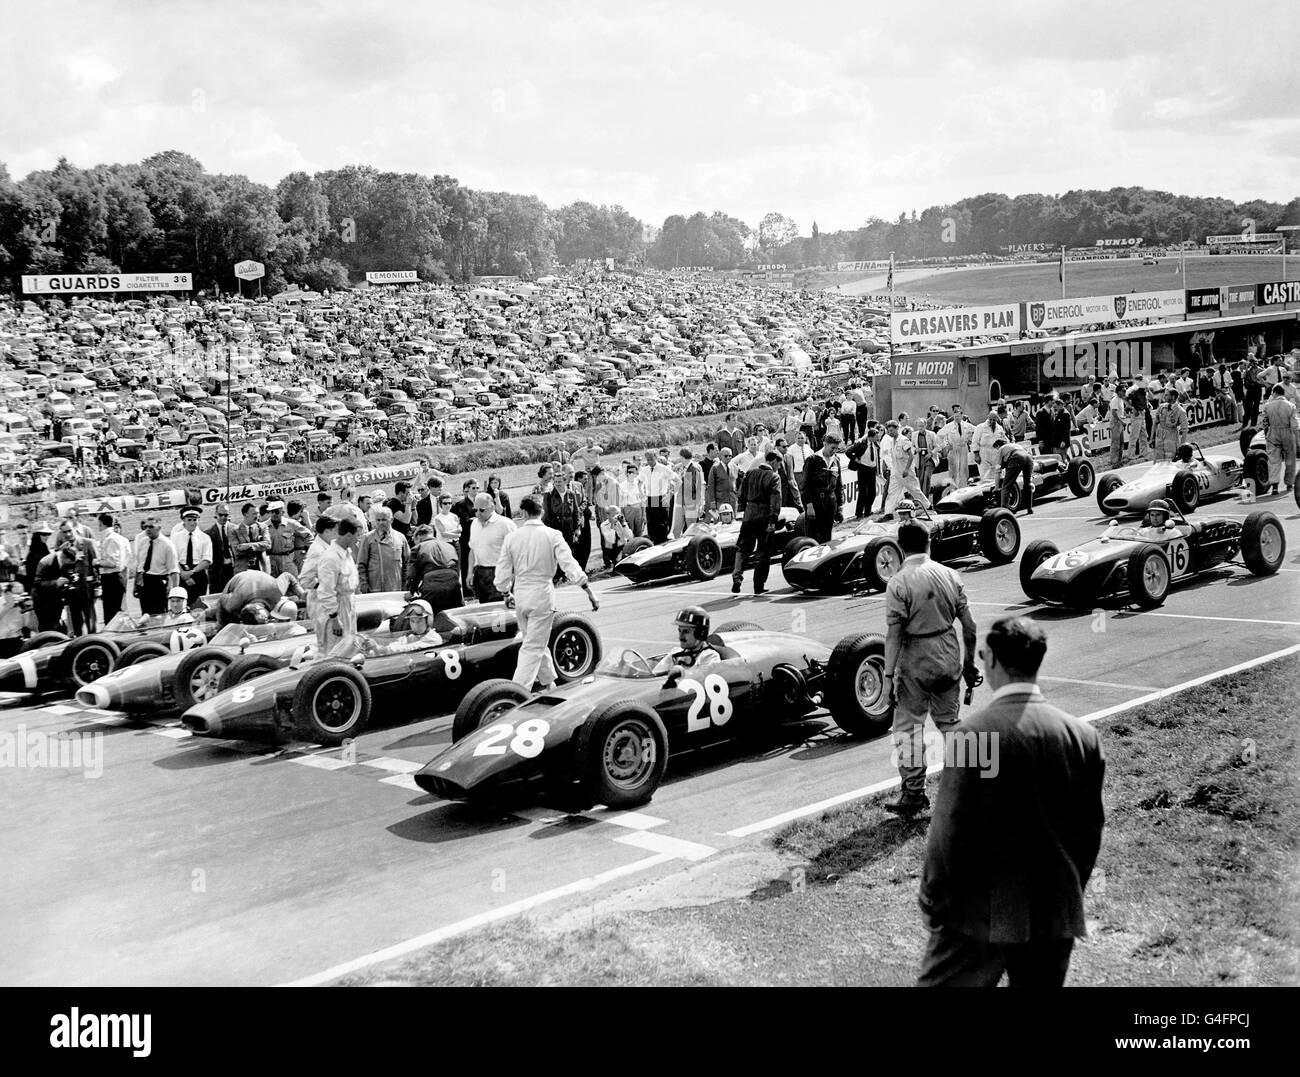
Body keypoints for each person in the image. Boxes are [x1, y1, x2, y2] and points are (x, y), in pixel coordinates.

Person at [917, 617, 1105, 987]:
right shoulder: (1083, 736)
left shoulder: (973, 734)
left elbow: (948, 831)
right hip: (1053, 911)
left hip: (975, 913)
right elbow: (1088, 832)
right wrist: (1068, 888)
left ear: (992, 663)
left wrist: (931, 898)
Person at [881, 520, 979, 816]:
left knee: (909, 726)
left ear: (900, 548)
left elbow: (894, 634)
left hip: (916, 658)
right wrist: (969, 663)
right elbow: (971, 626)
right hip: (948, 651)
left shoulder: (898, 583)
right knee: (950, 722)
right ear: (929, 543)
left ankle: (913, 793)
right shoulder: (950, 575)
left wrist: (887, 677)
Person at [493, 496, 599, 692]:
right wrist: (587, 589)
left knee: (534, 640)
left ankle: (549, 682)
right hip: (542, 594)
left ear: (523, 513)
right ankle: (517, 692)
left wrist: (505, 592)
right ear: (541, 512)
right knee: (533, 646)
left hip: (521, 594)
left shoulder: (512, 537)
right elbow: (569, 564)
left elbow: (502, 572)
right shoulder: (552, 534)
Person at [730, 450, 782, 596]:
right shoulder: (774, 477)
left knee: (742, 548)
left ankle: (737, 577)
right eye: (779, 463)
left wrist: (744, 508)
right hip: (764, 517)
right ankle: (758, 586)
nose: (779, 466)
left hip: (749, 515)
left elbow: (741, 494)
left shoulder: (750, 473)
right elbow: (775, 500)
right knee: (763, 552)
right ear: (773, 461)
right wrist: (773, 519)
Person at [316, 517, 361, 649]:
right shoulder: (331, 557)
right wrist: (334, 618)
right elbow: (325, 591)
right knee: (338, 648)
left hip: (349, 604)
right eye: (357, 536)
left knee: (351, 645)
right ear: (348, 535)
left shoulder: (347, 553)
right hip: (337, 609)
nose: (358, 540)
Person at [467, 492, 517, 602]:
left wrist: (512, 577)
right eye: (475, 510)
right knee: (485, 611)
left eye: (482, 510)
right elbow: (472, 549)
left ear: (492, 507)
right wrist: (470, 573)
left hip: (500, 573)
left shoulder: (505, 524)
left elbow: (516, 551)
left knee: (502, 612)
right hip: (481, 574)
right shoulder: (474, 524)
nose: (478, 514)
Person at [405, 525, 462, 613]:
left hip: (432, 586)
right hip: (453, 585)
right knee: (454, 615)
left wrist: (411, 592)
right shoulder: (450, 546)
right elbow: (457, 569)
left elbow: (412, 574)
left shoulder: (417, 548)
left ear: (418, 536)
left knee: (430, 615)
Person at [652, 607, 722, 677]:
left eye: (686, 631)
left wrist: (680, 673)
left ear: (700, 633)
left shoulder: (709, 656)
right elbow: (654, 676)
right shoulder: (674, 653)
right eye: (679, 630)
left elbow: (704, 679)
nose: (681, 636)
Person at [356, 505, 410, 593]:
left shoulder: (400, 538)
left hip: (395, 587)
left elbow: (407, 563)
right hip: (374, 588)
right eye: (378, 520)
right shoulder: (368, 538)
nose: (381, 523)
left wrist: (406, 584)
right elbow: (361, 564)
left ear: (391, 520)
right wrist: (363, 583)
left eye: (384, 520)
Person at [803, 429, 844, 541]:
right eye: (832, 448)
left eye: (836, 448)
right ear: (825, 444)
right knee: (813, 534)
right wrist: (809, 505)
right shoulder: (812, 460)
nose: (834, 451)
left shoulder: (836, 460)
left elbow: (839, 485)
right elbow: (805, 485)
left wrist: (840, 506)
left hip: (830, 500)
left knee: (827, 535)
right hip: (815, 501)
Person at [133, 516, 179, 616]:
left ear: (159, 527)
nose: (147, 529)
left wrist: (176, 593)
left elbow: (174, 570)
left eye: (151, 526)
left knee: (160, 615)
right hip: (144, 582)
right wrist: (135, 585)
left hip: (159, 583)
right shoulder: (143, 542)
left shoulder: (167, 545)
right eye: (145, 527)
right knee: (145, 615)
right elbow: (139, 565)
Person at [1260, 382, 1298, 494]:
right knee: (1290, 459)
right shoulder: (1290, 406)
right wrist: (1297, 439)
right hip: (1287, 432)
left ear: (1274, 393)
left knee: (1273, 460)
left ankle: (1275, 485)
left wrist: (1267, 435)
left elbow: (1265, 423)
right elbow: (1295, 425)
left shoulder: (1267, 406)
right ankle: (1289, 484)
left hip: (1273, 432)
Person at [171, 507, 213, 605]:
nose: (192, 523)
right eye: (189, 520)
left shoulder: (205, 538)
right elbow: (173, 558)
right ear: (183, 521)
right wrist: (183, 574)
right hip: (181, 573)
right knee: (181, 605)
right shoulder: (176, 537)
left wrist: (192, 572)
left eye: (195, 520)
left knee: (198, 606)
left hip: (198, 573)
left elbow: (206, 560)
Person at [96, 513, 132, 623]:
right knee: (115, 610)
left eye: (99, 524)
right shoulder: (118, 538)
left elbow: (113, 563)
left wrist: (97, 562)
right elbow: (128, 555)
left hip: (112, 577)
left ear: (101, 524)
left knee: (112, 613)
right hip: (116, 576)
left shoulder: (111, 539)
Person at [993, 437, 1035, 515]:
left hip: (1016, 457)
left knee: (1006, 485)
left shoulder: (1000, 449)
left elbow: (997, 471)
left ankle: (1004, 512)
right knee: (1027, 483)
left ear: (998, 446)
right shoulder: (1015, 445)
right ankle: (1029, 508)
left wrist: (996, 488)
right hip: (1028, 457)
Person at [847, 423, 880, 517]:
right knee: (863, 492)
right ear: (871, 437)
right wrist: (855, 459)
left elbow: (877, 456)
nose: (877, 438)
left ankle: (868, 511)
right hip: (863, 468)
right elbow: (848, 452)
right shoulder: (861, 443)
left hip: (872, 469)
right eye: (876, 437)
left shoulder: (875, 444)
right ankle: (859, 513)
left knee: (872, 492)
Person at [672, 448, 705, 537]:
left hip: (692, 502)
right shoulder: (682, 467)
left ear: (682, 457)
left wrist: (682, 478)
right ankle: (678, 550)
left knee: (691, 529)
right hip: (681, 502)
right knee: (676, 530)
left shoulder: (695, 467)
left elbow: (695, 487)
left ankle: (691, 549)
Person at [232, 502, 270, 575]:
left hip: (261, 569)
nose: (257, 516)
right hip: (242, 570)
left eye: (258, 513)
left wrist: (247, 546)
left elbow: (268, 545)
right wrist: (259, 546)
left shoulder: (263, 527)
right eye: (254, 514)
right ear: (245, 514)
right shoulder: (235, 530)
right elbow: (237, 551)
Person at [1151, 389, 1188, 463]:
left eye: (1166, 395)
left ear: (1173, 397)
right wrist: (1152, 438)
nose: (1164, 396)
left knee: (1170, 461)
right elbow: (1155, 422)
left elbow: (1184, 430)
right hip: (1159, 436)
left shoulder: (1180, 411)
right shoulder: (1161, 407)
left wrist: (1181, 447)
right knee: (1158, 461)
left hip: (1171, 437)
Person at [207, 506, 237, 592]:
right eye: (221, 515)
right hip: (217, 573)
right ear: (216, 515)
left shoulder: (236, 529)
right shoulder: (208, 533)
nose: (223, 517)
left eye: (226, 515)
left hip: (233, 569)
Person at [704, 446, 737, 517]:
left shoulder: (734, 466)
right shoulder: (715, 468)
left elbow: (737, 481)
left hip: (732, 499)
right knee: (719, 522)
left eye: (730, 456)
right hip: (720, 500)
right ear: (720, 456)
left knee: (732, 521)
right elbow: (711, 485)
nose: (728, 457)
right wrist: (712, 501)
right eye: (726, 456)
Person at [1106, 388, 1127, 469]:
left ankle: (1119, 459)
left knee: (1121, 442)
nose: (1125, 392)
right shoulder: (1115, 400)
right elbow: (1114, 413)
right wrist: (1121, 421)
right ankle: (1114, 460)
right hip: (1116, 422)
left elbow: (1120, 412)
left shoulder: (1120, 399)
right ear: (1118, 391)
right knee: (1115, 442)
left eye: (1125, 391)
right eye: (1123, 391)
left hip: (1120, 422)